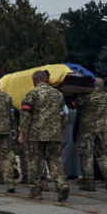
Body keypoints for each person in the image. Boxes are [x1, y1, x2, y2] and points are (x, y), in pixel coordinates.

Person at [18, 70, 69, 201]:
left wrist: (22, 133)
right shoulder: (58, 94)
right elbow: (65, 114)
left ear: (34, 81)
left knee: (34, 162)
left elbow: (25, 115)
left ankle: (36, 192)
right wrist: (60, 129)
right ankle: (61, 184)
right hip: (54, 135)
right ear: (46, 80)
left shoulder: (31, 94)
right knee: (54, 161)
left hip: (35, 135)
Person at [69, 78, 107, 191]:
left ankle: (89, 182)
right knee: (101, 155)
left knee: (86, 156)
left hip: (86, 131)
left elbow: (72, 105)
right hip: (102, 130)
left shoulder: (85, 96)